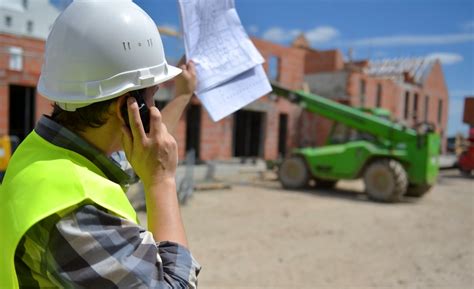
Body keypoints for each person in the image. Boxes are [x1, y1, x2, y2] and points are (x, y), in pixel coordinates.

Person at [0, 0, 200, 288]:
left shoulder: (43, 153)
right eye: (154, 96)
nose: (155, 109)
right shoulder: (77, 213)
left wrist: (181, 95)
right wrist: (162, 183)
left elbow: (138, 156)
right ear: (126, 108)